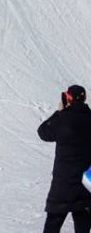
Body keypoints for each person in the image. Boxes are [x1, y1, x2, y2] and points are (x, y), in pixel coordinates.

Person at [38, 85, 91, 233]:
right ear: (85, 98)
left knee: (52, 225)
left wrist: (59, 112)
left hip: (63, 185)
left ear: (68, 98)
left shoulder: (62, 118)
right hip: (86, 184)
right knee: (83, 227)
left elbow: (43, 132)